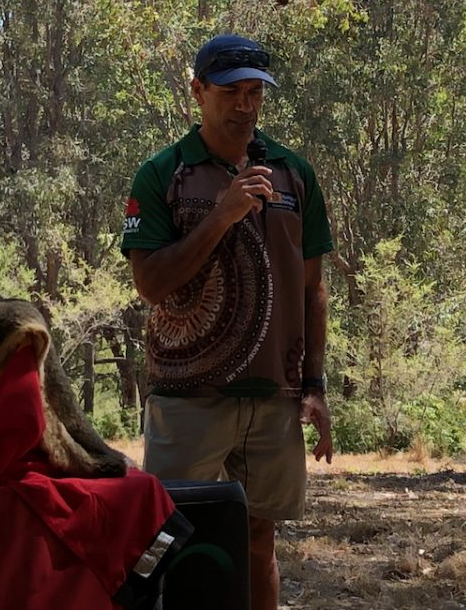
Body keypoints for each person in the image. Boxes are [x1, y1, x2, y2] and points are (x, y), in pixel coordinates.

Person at [121, 33, 334, 610]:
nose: (245, 105)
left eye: (254, 92)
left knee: (259, 543)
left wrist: (314, 386)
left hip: (274, 397)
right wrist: (222, 215)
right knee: (164, 538)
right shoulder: (162, 174)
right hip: (189, 396)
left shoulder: (294, 174)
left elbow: (314, 292)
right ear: (198, 92)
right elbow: (151, 284)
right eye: (230, 92)